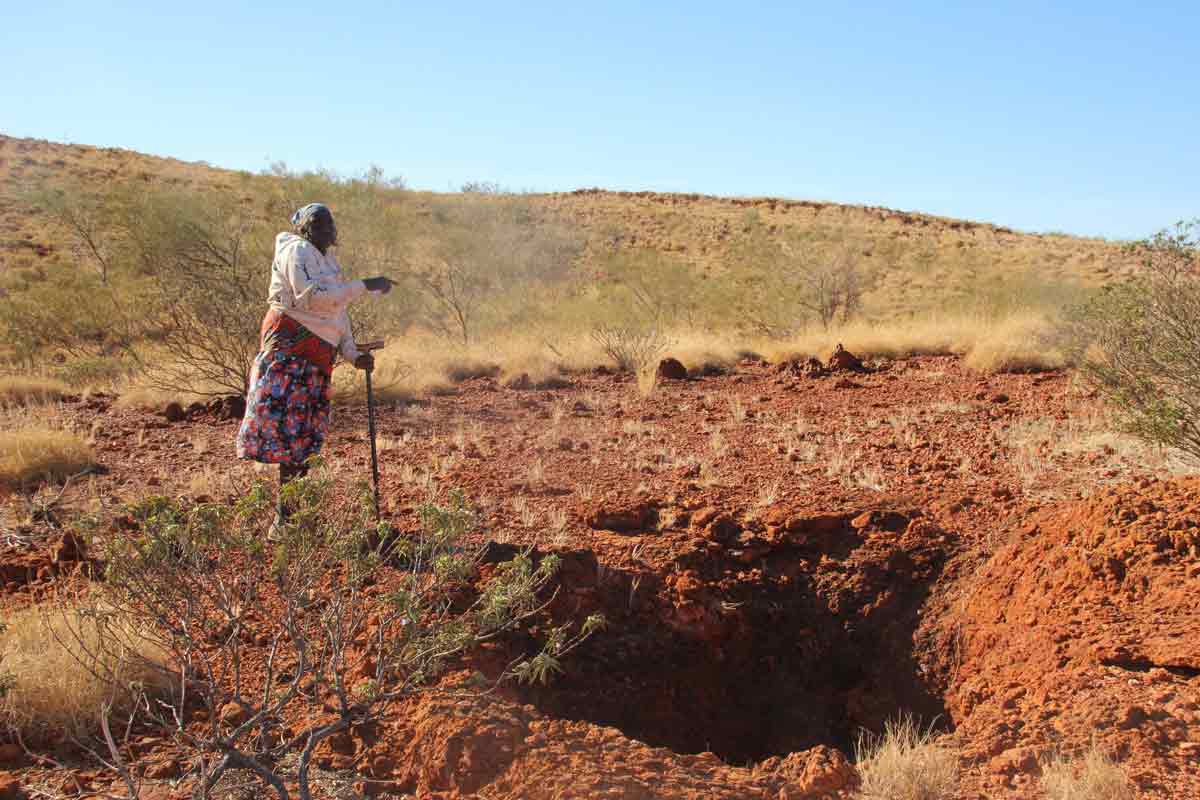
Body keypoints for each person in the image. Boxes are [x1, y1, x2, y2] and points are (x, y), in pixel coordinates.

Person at [236, 203, 393, 534]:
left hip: (315, 361)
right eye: (317, 223)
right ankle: (286, 521)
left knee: (304, 441)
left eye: (329, 223)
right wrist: (364, 284)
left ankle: (293, 519)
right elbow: (313, 299)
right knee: (291, 438)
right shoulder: (296, 252)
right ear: (304, 229)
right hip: (289, 356)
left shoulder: (327, 261)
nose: (325, 229)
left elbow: (336, 313)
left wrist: (351, 353)